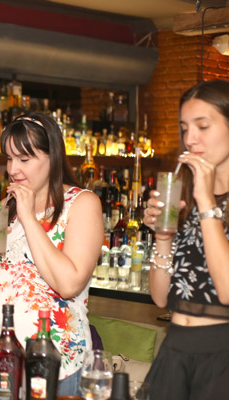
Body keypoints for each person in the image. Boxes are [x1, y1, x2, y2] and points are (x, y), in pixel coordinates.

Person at [0, 113, 103, 396]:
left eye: (24, 159)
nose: (13, 169)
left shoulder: (82, 204)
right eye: (9, 158)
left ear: (53, 157)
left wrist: (29, 218)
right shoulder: (6, 206)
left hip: (54, 361)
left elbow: (69, 284)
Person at [143, 79, 229, 400]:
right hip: (175, 351)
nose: (190, 139)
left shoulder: (202, 200)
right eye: (184, 128)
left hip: (221, 359)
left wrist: (207, 203)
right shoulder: (188, 197)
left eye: (203, 126)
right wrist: (163, 236)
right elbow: (160, 298)